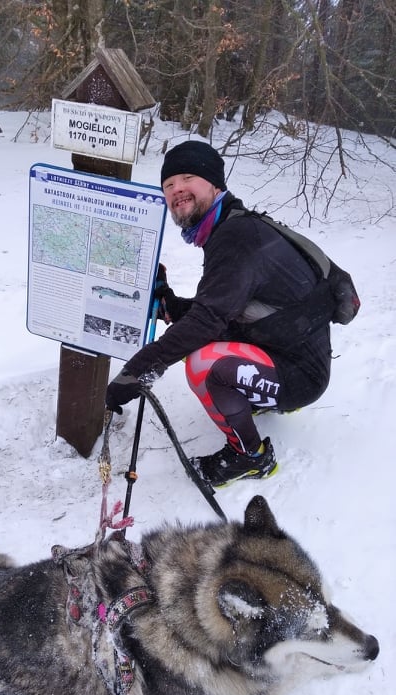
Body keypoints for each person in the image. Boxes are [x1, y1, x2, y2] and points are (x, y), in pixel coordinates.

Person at [105, 140, 332, 487]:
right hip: (282, 349)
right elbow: (221, 307)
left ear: (214, 184)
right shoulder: (232, 226)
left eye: (187, 177)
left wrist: (136, 372)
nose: (177, 189)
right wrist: (169, 304)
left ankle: (251, 457)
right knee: (198, 342)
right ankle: (255, 399)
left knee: (202, 364)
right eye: (168, 185)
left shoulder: (236, 237)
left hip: (300, 375)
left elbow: (208, 321)